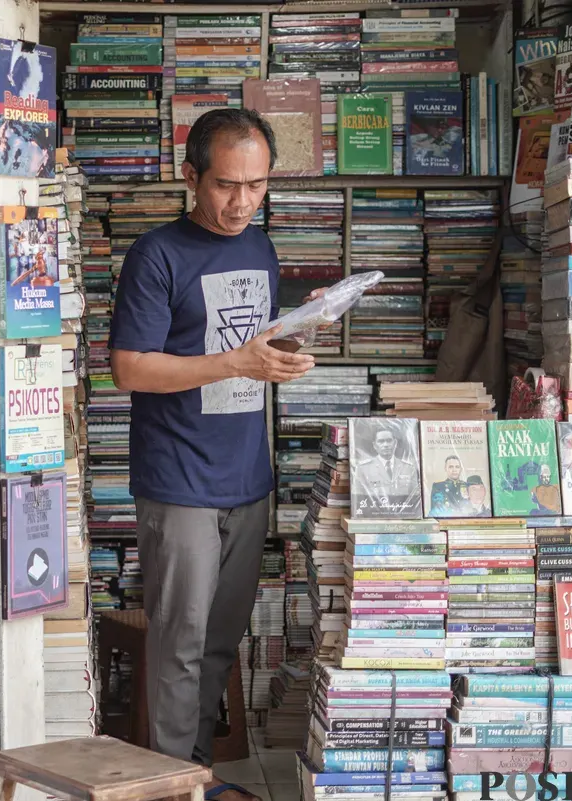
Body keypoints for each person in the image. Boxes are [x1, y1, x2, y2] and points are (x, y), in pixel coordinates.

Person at [109, 108, 318, 801]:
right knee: (179, 647)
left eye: (257, 186)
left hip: (247, 477)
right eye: (227, 185)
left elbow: (255, 354)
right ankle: (170, 787)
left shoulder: (260, 248)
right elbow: (130, 369)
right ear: (191, 176)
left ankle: (194, 778)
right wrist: (233, 360)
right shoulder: (157, 255)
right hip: (179, 480)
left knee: (219, 645)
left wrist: (291, 347)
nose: (241, 203)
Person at [353, 426, 420, 515]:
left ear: (395, 443)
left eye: (389, 441)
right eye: (381, 441)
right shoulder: (363, 469)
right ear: (375, 445)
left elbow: (414, 499)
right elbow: (359, 499)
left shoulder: (409, 468)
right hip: (373, 515)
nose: (386, 445)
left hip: (403, 516)